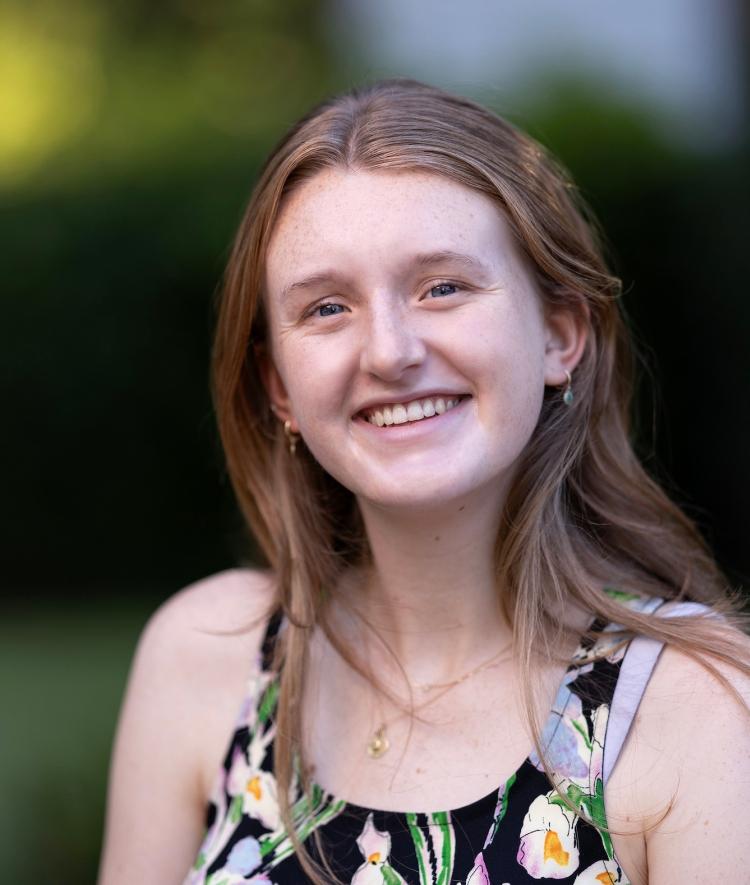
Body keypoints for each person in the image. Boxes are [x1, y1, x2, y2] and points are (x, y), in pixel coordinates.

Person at [98, 80, 750, 885]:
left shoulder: (700, 705)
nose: (390, 352)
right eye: (328, 307)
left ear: (559, 335)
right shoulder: (207, 656)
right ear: (278, 388)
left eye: (441, 286)